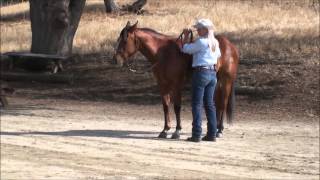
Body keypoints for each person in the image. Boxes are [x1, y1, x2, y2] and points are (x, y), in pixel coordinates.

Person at [181, 18, 221, 142]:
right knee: (209, 104)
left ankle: (196, 134)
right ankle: (212, 134)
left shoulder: (201, 42)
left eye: (199, 28)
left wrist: (186, 36)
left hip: (201, 73)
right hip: (212, 73)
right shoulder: (215, 42)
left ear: (205, 29)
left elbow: (185, 49)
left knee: (197, 104)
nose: (197, 30)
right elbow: (218, 55)